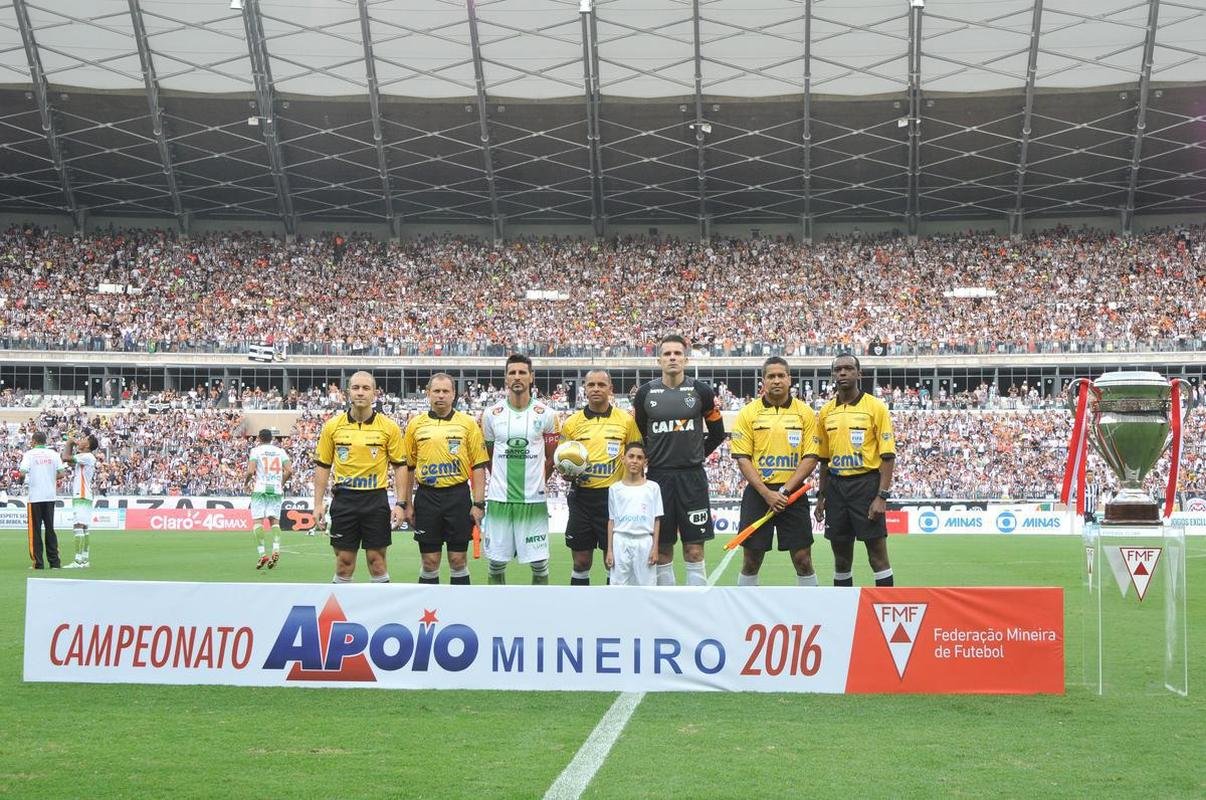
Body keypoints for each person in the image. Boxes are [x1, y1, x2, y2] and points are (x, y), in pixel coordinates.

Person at [633, 334, 725, 586]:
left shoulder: (701, 391)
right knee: (662, 551)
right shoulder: (645, 394)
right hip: (658, 479)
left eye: (677, 353)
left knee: (694, 550)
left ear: (686, 358)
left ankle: (696, 612)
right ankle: (668, 615)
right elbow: (641, 434)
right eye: (667, 354)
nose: (672, 357)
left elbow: (717, 433)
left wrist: (697, 455)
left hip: (692, 479)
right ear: (659, 359)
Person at [730, 357, 821, 586]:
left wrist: (785, 490)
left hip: (793, 494)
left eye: (781, 375)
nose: (777, 380)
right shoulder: (748, 413)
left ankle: (812, 612)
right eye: (771, 376)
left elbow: (811, 458)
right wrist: (767, 493)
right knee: (751, 560)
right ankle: (745, 615)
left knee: (803, 560)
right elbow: (743, 458)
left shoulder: (806, 413)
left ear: (790, 379)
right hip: (759, 494)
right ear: (763, 381)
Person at [808, 353, 896, 586]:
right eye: (838, 369)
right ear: (832, 375)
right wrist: (821, 496)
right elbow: (824, 459)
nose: (843, 373)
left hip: (866, 486)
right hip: (836, 489)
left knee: (877, 557)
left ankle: (883, 615)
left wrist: (881, 496)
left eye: (848, 368)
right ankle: (843, 616)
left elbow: (888, 456)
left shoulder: (876, 408)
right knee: (841, 559)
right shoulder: (826, 412)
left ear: (859, 373)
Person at [312, 371, 406, 584]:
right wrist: (317, 503)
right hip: (344, 500)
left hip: (376, 500)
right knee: (344, 562)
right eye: (356, 388)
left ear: (375, 393)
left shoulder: (388, 426)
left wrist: (400, 503)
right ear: (348, 392)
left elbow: (400, 467)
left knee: (377, 561)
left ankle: (382, 615)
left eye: (366, 388)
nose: (361, 393)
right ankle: (341, 615)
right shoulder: (332, 426)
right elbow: (323, 465)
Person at [398, 373, 488, 585]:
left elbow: (478, 466)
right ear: (428, 394)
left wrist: (478, 503)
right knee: (429, 562)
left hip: (457, 495)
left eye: (445, 391)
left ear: (454, 394)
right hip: (427, 497)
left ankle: (460, 611)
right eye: (436, 391)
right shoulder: (415, 424)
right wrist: (407, 504)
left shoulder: (468, 423)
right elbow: (408, 467)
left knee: (458, 560)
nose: (441, 396)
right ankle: (429, 615)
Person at [481, 353, 559, 585]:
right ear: (505, 378)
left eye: (522, 372)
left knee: (539, 564)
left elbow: (551, 458)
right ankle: (497, 615)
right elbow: (489, 456)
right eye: (512, 372)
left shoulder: (547, 414)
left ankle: (538, 617)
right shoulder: (491, 415)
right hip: (499, 501)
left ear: (531, 377)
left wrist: (536, 483)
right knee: (495, 563)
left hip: (533, 502)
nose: (517, 377)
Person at [559, 369, 641, 585]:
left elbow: (636, 457)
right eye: (591, 385)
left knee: (611, 561)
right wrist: (566, 474)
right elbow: (562, 461)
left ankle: (611, 613)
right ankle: (579, 610)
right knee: (581, 561)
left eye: (601, 385)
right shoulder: (571, 423)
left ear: (610, 389)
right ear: (584, 389)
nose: (596, 389)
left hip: (612, 500)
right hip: (581, 498)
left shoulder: (626, 420)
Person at [606, 442, 663, 586]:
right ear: (623, 459)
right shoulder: (614, 489)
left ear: (645, 462)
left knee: (646, 588)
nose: (634, 461)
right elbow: (611, 521)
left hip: (644, 542)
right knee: (618, 588)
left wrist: (655, 548)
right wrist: (610, 550)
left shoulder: (653, 488)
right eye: (631, 456)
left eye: (639, 457)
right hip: (621, 541)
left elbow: (656, 520)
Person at [18, 431, 66, 570]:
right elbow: (62, 473)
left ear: (33, 441)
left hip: (35, 497)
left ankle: (38, 563)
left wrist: (24, 478)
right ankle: (55, 562)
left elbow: (22, 472)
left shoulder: (29, 454)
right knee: (50, 529)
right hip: (50, 496)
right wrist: (49, 477)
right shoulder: (54, 454)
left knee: (35, 531)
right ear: (45, 441)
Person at [246, 428, 292, 570]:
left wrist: (246, 482)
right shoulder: (280, 451)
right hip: (276, 490)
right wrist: (281, 483)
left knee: (258, 522)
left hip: (260, 489)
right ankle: (276, 549)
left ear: (259, 438)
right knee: (275, 523)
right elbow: (289, 470)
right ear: (271, 438)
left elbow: (250, 471)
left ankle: (262, 554)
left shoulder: (256, 451)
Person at [61, 432, 99, 569]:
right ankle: (84, 559)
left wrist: (69, 442)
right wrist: (72, 444)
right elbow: (69, 461)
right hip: (86, 494)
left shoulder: (86, 456)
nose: (81, 440)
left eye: (84, 439)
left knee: (78, 525)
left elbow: (65, 457)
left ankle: (78, 561)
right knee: (84, 527)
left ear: (88, 445)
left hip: (81, 494)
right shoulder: (85, 457)